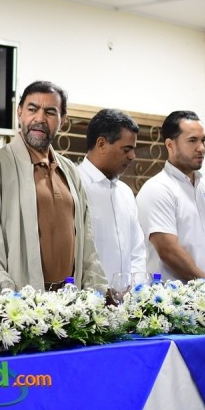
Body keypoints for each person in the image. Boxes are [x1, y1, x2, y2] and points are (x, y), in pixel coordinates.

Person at [0, 80, 107, 293]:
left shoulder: (70, 171)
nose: (40, 119)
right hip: (21, 302)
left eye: (50, 112)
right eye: (32, 109)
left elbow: (87, 240)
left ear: (63, 120)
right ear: (19, 112)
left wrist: (96, 289)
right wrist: (7, 294)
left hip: (72, 301)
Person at [136, 110, 205, 282]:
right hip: (175, 296)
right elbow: (168, 250)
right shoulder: (157, 189)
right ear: (170, 145)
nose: (201, 148)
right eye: (192, 140)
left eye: (203, 140)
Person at [77, 108, 146, 281]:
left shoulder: (125, 192)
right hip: (89, 295)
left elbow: (137, 251)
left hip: (128, 296)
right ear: (101, 144)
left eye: (133, 149)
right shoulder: (74, 185)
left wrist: (135, 288)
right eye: (126, 149)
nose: (132, 156)